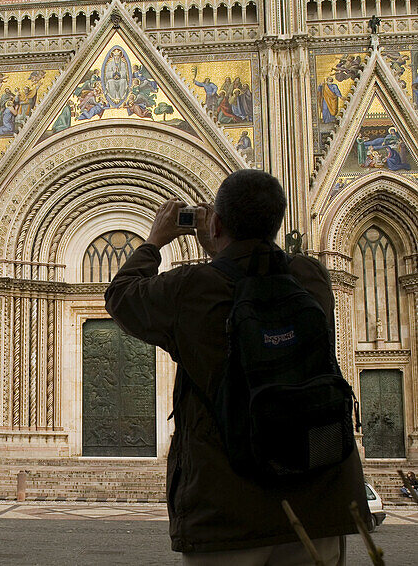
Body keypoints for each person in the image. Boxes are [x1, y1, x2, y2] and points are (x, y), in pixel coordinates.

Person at [105, 168, 370, 563]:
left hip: (228, 509)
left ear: (215, 221)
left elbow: (121, 295)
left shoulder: (190, 289)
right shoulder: (310, 278)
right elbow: (255, 275)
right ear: (278, 223)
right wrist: (225, 247)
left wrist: (155, 241)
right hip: (318, 501)